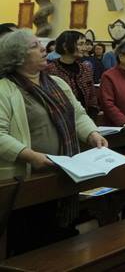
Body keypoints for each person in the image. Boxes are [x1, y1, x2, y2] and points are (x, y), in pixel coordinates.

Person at [0, 29, 106, 255]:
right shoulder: (5, 89)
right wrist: (31, 156)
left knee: (59, 237)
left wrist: (92, 134)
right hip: (27, 177)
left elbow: (77, 114)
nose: (43, 49)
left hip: (63, 172)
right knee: (30, 241)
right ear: (17, 56)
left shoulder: (56, 82)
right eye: (34, 46)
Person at [45, 30, 99, 118]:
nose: (84, 48)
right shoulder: (50, 70)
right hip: (60, 118)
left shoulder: (85, 69)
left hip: (84, 119)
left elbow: (92, 97)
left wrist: (92, 114)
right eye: (80, 44)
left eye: (85, 44)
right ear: (65, 46)